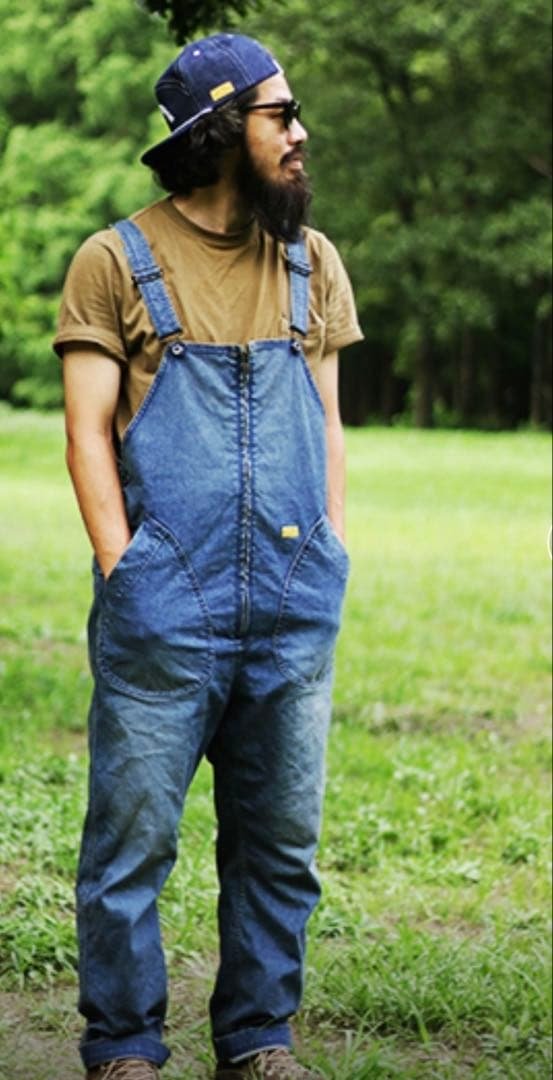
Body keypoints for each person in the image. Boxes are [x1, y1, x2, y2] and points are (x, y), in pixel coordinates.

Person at [54, 31, 363, 1080]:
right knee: (130, 848)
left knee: (280, 846)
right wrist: (124, 569)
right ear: (223, 130)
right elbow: (86, 434)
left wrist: (330, 546)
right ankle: (124, 1048)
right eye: (282, 114)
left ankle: (258, 1041)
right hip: (164, 606)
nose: (300, 132)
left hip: (291, 601)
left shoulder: (311, 261)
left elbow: (327, 422)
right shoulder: (114, 262)